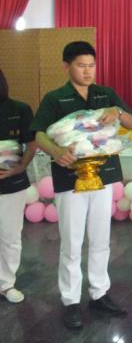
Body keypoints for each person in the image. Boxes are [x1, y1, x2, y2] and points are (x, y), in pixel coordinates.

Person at [30, 41, 132, 328]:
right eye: (81, 65)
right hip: (70, 178)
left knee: (101, 238)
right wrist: (55, 151)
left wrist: (117, 111)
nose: (88, 71)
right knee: (72, 241)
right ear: (66, 66)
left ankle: (99, 293)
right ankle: (71, 300)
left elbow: (131, 124)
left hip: (103, 176)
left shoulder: (106, 94)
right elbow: (38, 134)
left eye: (91, 65)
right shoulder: (55, 98)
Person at [0, 69, 37, 304]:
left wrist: (20, 166)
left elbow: (32, 144)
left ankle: (6, 284)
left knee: (10, 235)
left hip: (11, 185)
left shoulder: (19, 109)